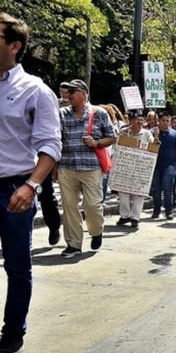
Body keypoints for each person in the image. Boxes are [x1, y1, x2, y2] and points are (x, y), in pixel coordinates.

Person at [0, 12, 62, 353]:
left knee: (17, 266)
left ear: (14, 45)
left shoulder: (35, 91)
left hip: (14, 190)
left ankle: (12, 332)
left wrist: (32, 185)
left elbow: (50, 145)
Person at [57, 79, 116, 257]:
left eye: (72, 92)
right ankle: (73, 244)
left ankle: (96, 231)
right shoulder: (62, 113)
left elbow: (112, 137)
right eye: (67, 92)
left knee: (92, 205)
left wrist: (97, 142)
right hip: (67, 167)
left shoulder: (99, 113)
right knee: (69, 207)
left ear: (83, 93)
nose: (68, 95)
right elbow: (56, 139)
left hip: (91, 168)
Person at [114, 113, 153, 228]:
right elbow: (118, 146)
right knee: (123, 192)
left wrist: (156, 141)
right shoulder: (124, 132)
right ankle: (125, 216)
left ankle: (135, 217)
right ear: (130, 121)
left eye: (141, 120)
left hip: (141, 168)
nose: (139, 122)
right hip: (126, 166)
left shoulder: (147, 133)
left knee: (139, 194)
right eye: (137, 120)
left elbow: (152, 147)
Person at [150, 113, 176, 221]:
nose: (166, 123)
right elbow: (149, 147)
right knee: (156, 189)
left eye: (167, 121)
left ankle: (169, 211)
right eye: (163, 120)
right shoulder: (152, 133)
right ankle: (156, 210)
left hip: (170, 165)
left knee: (168, 189)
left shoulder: (175, 134)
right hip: (155, 165)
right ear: (159, 121)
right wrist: (156, 136)